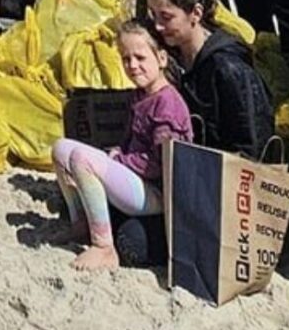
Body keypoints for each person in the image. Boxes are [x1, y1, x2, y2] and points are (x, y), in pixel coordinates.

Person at [51, 23, 191, 273]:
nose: (133, 65)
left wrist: (121, 161)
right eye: (126, 59)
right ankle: (81, 222)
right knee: (62, 148)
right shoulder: (141, 95)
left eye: (140, 57)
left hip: (157, 192)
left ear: (161, 58)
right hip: (137, 179)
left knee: (82, 158)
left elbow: (163, 163)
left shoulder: (167, 104)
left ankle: (104, 246)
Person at [142, 0, 275, 156]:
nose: (158, 26)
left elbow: (253, 145)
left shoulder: (228, 68)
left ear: (195, 13)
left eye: (166, 17)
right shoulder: (169, 59)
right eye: (153, 16)